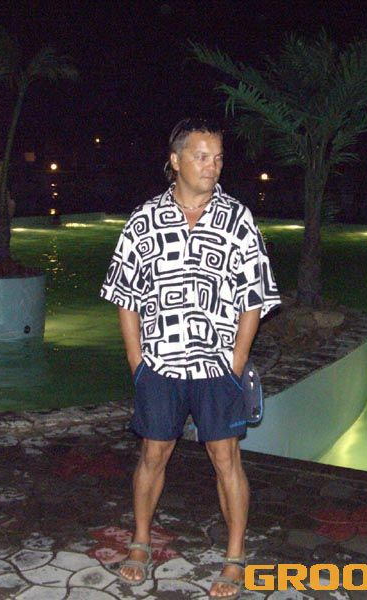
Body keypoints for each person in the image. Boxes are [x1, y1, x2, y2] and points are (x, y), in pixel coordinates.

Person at [100, 117, 280, 598]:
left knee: (226, 459)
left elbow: (254, 298)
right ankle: (140, 541)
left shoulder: (238, 219)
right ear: (176, 160)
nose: (212, 166)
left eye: (218, 158)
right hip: (160, 365)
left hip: (217, 367)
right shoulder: (144, 220)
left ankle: (235, 555)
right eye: (202, 156)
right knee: (153, 454)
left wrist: (236, 362)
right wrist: (137, 363)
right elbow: (125, 295)